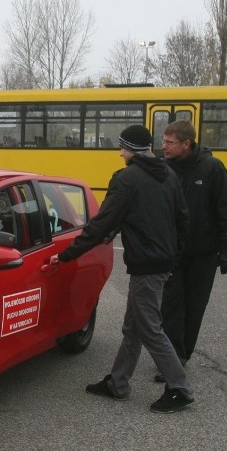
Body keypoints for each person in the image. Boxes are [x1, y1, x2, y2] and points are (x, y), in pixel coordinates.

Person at [54, 124, 193, 413]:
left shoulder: (126, 179)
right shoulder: (168, 173)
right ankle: (118, 382)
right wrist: (174, 259)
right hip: (162, 261)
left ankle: (179, 388)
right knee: (134, 326)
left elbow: (101, 224)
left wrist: (67, 254)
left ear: (129, 149)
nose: (119, 153)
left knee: (150, 329)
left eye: (122, 148)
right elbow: (183, 220)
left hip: (146, 264)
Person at [157, 120, 227, 382]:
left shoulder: (212, 168)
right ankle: (172, 361)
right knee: (171, 307)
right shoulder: (164, 169)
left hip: (204, 253)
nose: (163, 147)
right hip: (172, 253)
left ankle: (182, 356)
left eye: (169, 143)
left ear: (186, 144)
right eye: (163, 141)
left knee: (194, 307)